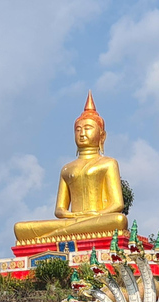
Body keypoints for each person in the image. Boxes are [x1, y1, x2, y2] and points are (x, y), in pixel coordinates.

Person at [13, 91, 128, 241]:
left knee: (119, 220)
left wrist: (96, 215)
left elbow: (118, 204)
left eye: (88, 128)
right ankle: (63, 232)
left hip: (98, 219)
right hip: (73, 220)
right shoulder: (67, 168)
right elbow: (59, 210)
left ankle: (53, 236)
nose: (82, 133)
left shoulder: (108, 163)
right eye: (78, 129)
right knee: (20, 227)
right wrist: (73, 215)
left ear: (102, 135)